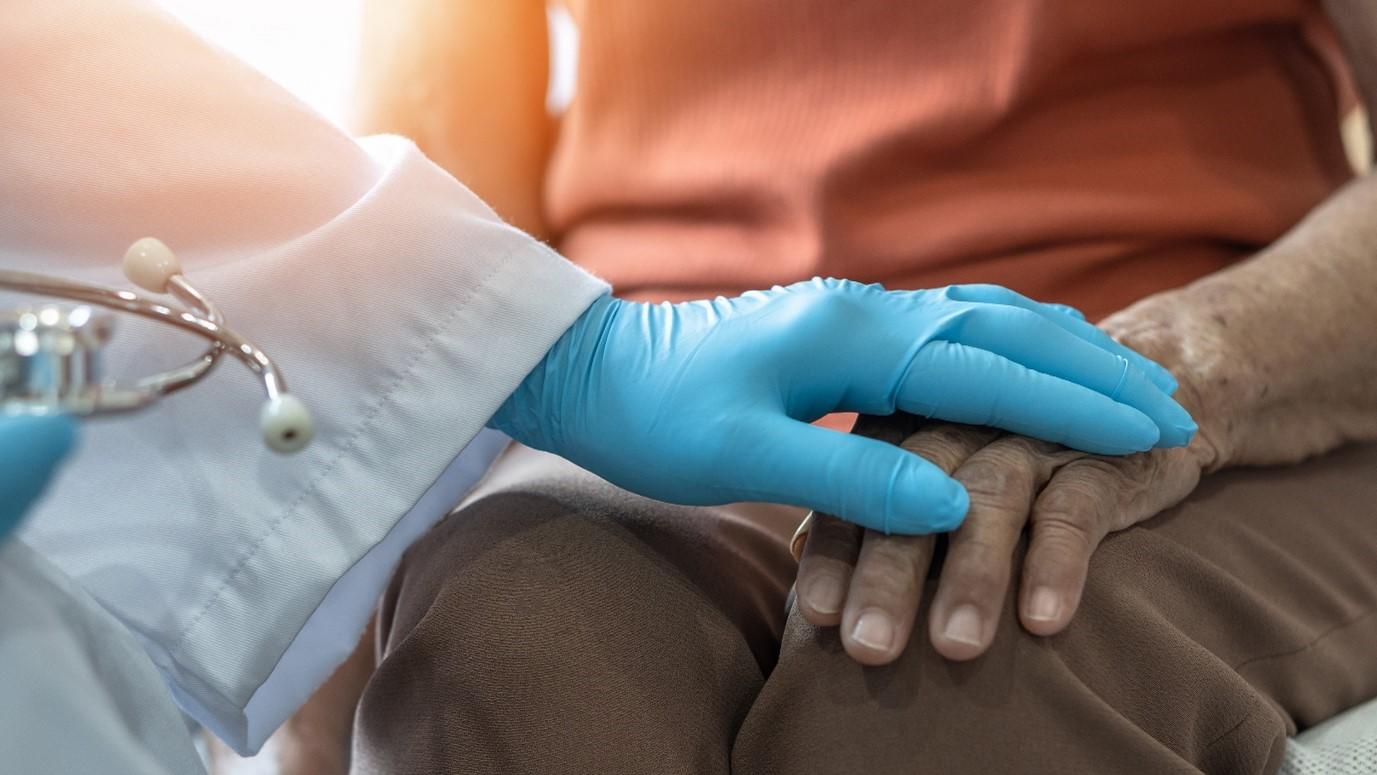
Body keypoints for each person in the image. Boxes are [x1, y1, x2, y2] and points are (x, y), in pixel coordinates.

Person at [0, 0, 1184, 771]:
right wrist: (530, 367)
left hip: (1144, 314)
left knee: (947, 693)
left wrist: (1199, 365)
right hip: (626, 370)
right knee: (517, 646)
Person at [329, 1, 1377, 773]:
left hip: (1215, 359)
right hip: (662, 374)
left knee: (961, 678)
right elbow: (437, 194)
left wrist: (1160, 371)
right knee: (513, 643)